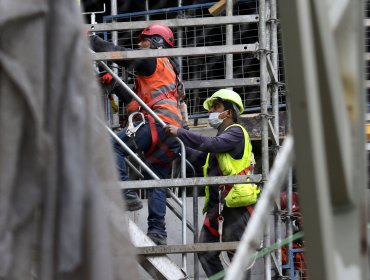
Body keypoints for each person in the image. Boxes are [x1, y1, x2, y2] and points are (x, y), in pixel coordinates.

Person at [90, 24, 184, 245]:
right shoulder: (168, 72)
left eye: (143, 41)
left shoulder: (153, 60)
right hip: (171, 132)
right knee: (157, 181)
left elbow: (123, 56)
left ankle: (126, 194)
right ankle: (158, 232)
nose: (139, 45)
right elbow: (135, 103)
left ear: (154, 42)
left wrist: (93, 41)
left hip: (157, 123)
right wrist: (113, 83)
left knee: (111, 145)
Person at [165, 89, 260, 278]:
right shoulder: (219, 142)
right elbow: (199, 157)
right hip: (219, 206)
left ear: (229, 113)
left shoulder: (236, 133)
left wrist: (181, 132)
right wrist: (176, 140)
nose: (212, 112)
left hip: (237, 204)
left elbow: (212, 144)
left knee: (237, 255)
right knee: (206, 251)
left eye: (216, 107)